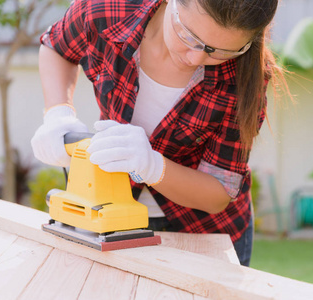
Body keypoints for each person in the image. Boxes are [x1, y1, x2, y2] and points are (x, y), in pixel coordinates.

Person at [31, 0, 282, 266]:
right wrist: (58, 113)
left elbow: (218, 191)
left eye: (221, 51)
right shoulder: (108, 9)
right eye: (188, 35)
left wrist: (153, 166)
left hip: (204, 231)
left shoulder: (246, 76)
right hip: (108, 216)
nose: (195, 58)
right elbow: (57, 47)